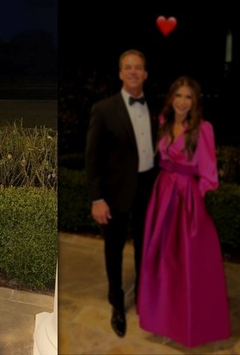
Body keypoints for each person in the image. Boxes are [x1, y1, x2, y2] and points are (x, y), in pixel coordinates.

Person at [137, 76, 230, 347]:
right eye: (178, 95)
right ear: (171, 98)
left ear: (195, 102)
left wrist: (194, 199)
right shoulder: (164, 123)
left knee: (187, 262)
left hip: (186, 198)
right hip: (162, 192)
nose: (182, 102)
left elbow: (210, 174)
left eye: (188, 97)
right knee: (162, 260)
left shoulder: (203, 129)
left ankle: (188, 325)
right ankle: (163, 321)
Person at [85, 49, 157, 338]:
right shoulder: (104, 109)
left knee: (145, 248)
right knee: (113, 252)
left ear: (145, 73)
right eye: (128, 67)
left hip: (148, 191)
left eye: (138, 67)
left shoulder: (155, 108)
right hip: (114, 194)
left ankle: (144, 297)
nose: (133, 71)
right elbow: (92, 158)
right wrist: (97, 198)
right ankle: (117, 303)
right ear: (120, 73)